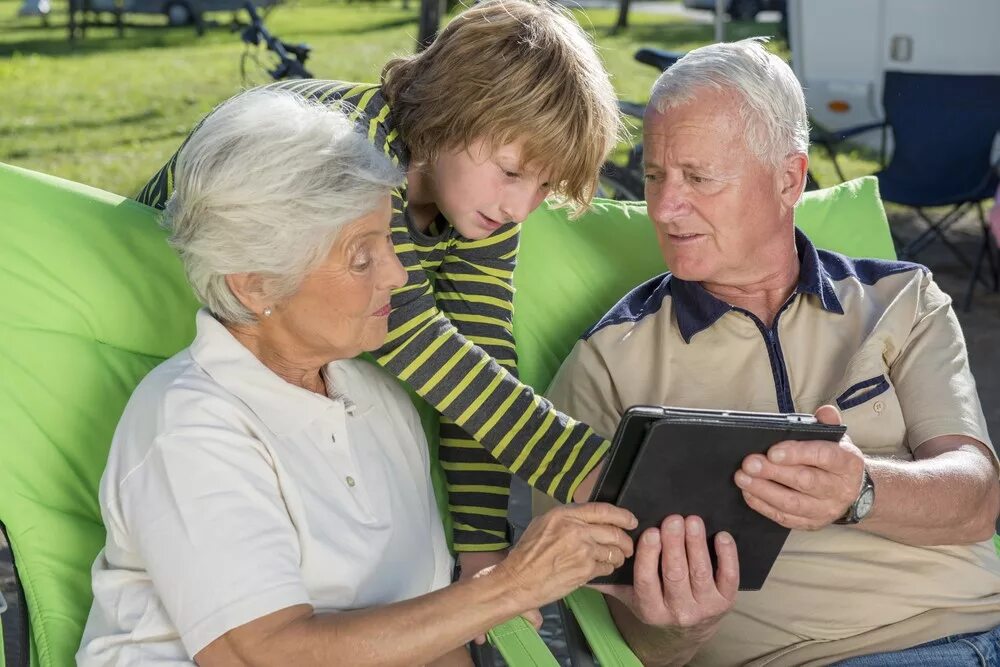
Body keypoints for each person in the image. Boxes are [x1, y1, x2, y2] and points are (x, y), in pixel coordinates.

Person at [77, 89, 638, 666]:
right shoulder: (190, 426)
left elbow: (430, 634)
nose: (398, 275)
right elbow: (264, 656)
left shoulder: (380, 402)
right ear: (255, 283)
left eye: (390, 243)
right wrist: (507, 589)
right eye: (362, 257)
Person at [544, 38, 1000, 666]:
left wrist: (861, 488)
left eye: (699, 178)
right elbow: (631, 638)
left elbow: (977, 500)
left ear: (789, 179)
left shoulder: (901, 298)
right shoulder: (608, 362)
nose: (667, 207)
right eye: (654, 176)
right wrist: (681, 629)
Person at [136, 0, 621, 581]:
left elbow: (482, 358)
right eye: (512, 171)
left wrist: (481, 546)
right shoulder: (349, 151)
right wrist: (579, 464)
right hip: (163, 302)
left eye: (545, 185)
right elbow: (411, 334)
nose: (520, 206)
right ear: (452, 115)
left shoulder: (475, 204)